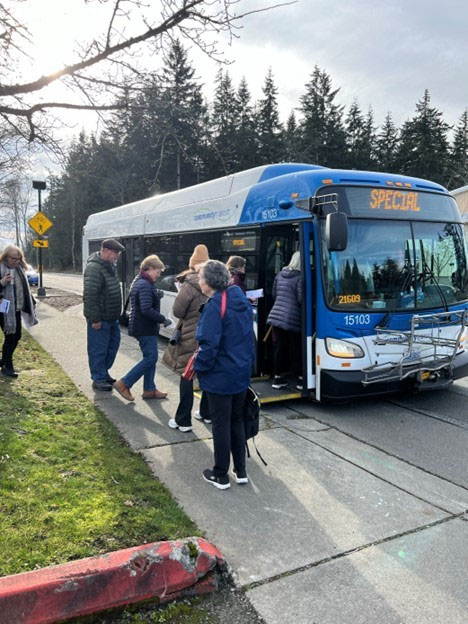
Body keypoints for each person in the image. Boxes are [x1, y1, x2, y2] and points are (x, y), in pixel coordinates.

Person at [195, 260, 255, 490]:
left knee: (220, 425)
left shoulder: (214, 306)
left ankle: (220, 474)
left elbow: (209, 346)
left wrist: (199, 367)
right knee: (236, 420)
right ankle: (241, 471)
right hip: (240, 372)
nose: (199, 281)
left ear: (209, 281)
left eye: (201, 277)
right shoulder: (240, 300)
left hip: (220, 374)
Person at [162, 244, 210, 432]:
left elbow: (178, 310)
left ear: (192, 265)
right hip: (209, 334)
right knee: (207, 374)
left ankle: (183, 420)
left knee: (187, 376)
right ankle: (206, 413)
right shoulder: (216, 282)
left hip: (190, 335)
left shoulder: (189, 285)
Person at [114, 255, 171, 401]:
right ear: (150, 269)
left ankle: (149, 389)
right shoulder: (145, 284)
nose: (158, 275)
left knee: (150, 357)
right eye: (158, 272)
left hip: (143, 326)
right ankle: (124, 383)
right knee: (151, 358)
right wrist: (163, 319)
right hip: (144, 327)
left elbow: (144, 303)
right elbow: (146, 309)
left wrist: (156, 296)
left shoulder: (142, 282)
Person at [83, 238, 125, 391]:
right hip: (100, 319)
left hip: (111, 317)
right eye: (115, 253)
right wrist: (95, 318)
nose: (117, 256)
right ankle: (98, 378)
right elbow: (90, 295)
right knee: (98, 349)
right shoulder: (94, 268)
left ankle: (103, 372)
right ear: (106, 251)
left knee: (111, 347)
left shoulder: (108, 266)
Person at [266, 250, 302, 389]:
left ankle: (278, 378)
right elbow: (301, 299)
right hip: (293, 317)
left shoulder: (279, 275)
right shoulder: (300, 277)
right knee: (297, 348)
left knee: (281, 346)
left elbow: (274, 294)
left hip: (277, 316)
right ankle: (301, 379)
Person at [0, 245, 37, 377]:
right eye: (13, 258)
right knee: (10, 336)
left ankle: (4, 360)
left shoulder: (20, 269)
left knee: (17, 336)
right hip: (3, 310)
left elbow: (24, 287)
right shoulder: (1, 268)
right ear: (6, 257)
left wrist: (31, 301)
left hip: (16, 308)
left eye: (19, 258)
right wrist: (2, 282)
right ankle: (7, 366)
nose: (16, 261)